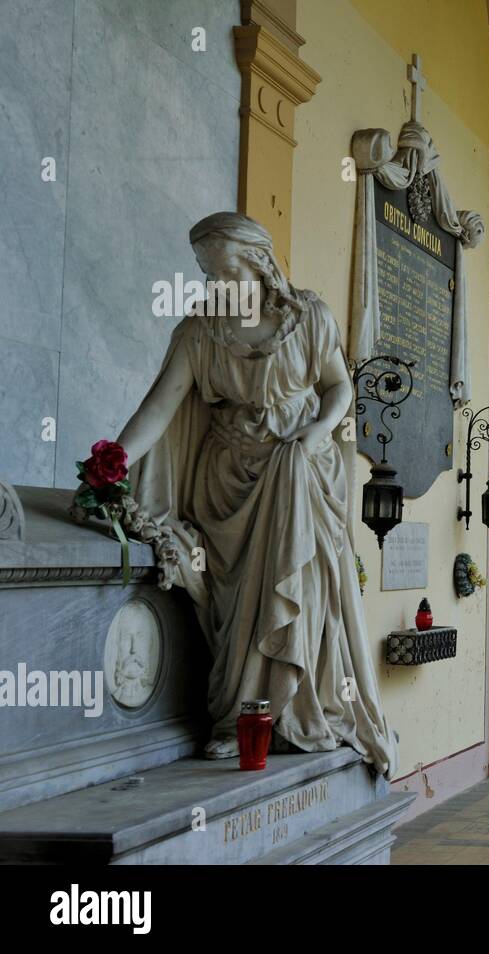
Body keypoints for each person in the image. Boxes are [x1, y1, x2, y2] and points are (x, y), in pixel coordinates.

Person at [87, 212, 396, 777]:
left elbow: (338, 388)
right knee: (234, 612)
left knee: (293, 590)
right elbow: (158, 407)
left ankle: (289, 713)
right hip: (227, 482)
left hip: (299, 473)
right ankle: (238, 716)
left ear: (258, 262)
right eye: (207, 272)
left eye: (224, 271)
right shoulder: (201, 333)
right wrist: (109, 464)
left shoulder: (309, 318)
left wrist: (317, 431)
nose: (215, 284)